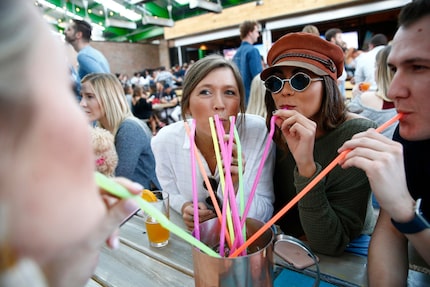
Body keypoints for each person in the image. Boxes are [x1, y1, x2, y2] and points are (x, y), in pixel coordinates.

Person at [0, 1, 141, 286]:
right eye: (68, 91)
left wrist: (62, 267)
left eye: (77, 92)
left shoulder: (127, 130)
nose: (78, 110)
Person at [261, 32, 377, 256]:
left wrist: (306, 167)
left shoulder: (357, 136)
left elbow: (330, 243)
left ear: (327, 85)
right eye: (275, 82)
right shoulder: (271, 133)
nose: (284, 90)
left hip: (348, 250)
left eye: (300, 80)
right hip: (287, 247)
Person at [339, 0, 430, 284]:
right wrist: (397, 210)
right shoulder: (414, 134)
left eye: (418, 67)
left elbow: (399, 216)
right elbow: (390, 231)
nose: (393, 90)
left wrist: (405, 212)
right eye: (395, 68)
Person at [151, 54, 275, 230]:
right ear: (186, 105)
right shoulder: (164, 141)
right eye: (205, 92)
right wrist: (184, 207)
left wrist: (236, 186)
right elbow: (170, 193)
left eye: (229, 92)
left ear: (240, 103)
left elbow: (264, 212)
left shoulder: (257, 132)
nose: (219, 104)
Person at [80, 73, 161, 191]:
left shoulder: (130, 129)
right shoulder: (102, 130)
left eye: (89, 96)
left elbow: (116, 182)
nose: (82, 103)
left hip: (144, 204)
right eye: (81, 96)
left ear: (109, 98)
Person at [348, 45, 397, 139]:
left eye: (375, 66)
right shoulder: (412, 104)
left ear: (381, 71)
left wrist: (355, 97)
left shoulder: (365, 99)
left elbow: (345, 125)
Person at [64, 18, 110, 98]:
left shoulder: (83, 56)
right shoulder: (91, 53)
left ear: (78, 35)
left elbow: (103, 83)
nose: (65, 32)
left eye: (69, 30)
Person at [233, 20, 263, 106]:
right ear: (250, 32)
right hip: (253, 100)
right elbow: (258, 79)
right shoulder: (253, 51)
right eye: (257, 31)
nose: (258, 34)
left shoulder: (236, 54)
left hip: (240, 100)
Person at [325, 28, 348, 99]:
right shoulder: (330, 52)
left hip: (340, 88)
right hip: (336, 91)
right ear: (333, 39)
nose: (341, 40)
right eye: (339, 37)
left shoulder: (337, 51)